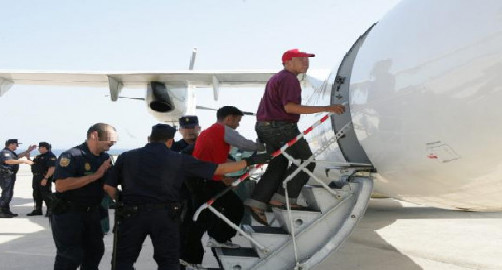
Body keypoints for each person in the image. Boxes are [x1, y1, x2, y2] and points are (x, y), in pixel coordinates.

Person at [103, 123, 267, 270]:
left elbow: (109, 187)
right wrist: (249, 161)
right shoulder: (179, 159)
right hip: (164, 217)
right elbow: (218, 169)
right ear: (170, 141)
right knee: (168, 261)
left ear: (149, 138)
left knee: (123, 261)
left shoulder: (126, 157)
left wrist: (122, 200)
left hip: (132, 214)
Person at [244, 48, 346, 226]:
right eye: (301, 59)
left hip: (265, 127)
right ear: (288, 62)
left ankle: (257, 202)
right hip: (281, 127)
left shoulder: (277, 78)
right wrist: (327, 108)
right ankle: (284, 198)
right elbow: (290, 108)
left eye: (307, 60)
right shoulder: (289, 79)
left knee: (279, 163)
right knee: (306, 161)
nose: (306, 62)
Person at [181, 106, 265, 265]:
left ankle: (208, 245)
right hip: (204, 181)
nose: (238, 125)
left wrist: (224, 175)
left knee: (203, 217)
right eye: (238, 121)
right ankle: (197, 252)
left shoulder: (209, 133)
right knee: (227, 210)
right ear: (229, 119)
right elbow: (245, 144)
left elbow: (217, 160)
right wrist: (262, 146)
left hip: (203, 179)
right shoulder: (222, 130)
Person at [50, 123, 117, 270]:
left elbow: (107, 186)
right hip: (69, 213)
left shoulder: (105, 158)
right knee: (70, 256)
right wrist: (96, 175)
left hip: (93, 213)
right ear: (94, 135)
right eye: (110, 139)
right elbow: (61, 186)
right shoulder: (72, 156)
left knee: (95, 251)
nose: (113, 143)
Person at [0, 139, 36, 218]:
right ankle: (1, 211)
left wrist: (28, 151)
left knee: (9, 193)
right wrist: (24, 161)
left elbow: (17, 157)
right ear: (11, 144)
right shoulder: (5, 152)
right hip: (5, 176)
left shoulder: (10, 152)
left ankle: (6, 211)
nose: (17, 146)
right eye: (16, 144)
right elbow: (8, 161)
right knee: (6, 193)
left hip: (10, 175)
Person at [27, 142, 57, 217]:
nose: (39, 149)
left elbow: (52, 168)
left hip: (44, 177)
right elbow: (33, 164)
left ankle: (50, 210)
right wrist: (28, 158)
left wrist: (46, 178)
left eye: (40, 147)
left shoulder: (50, 156)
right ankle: (38, 209)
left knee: (46, 194)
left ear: (44, 147)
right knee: (36, 194)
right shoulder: (39, 156)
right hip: (36, 177)